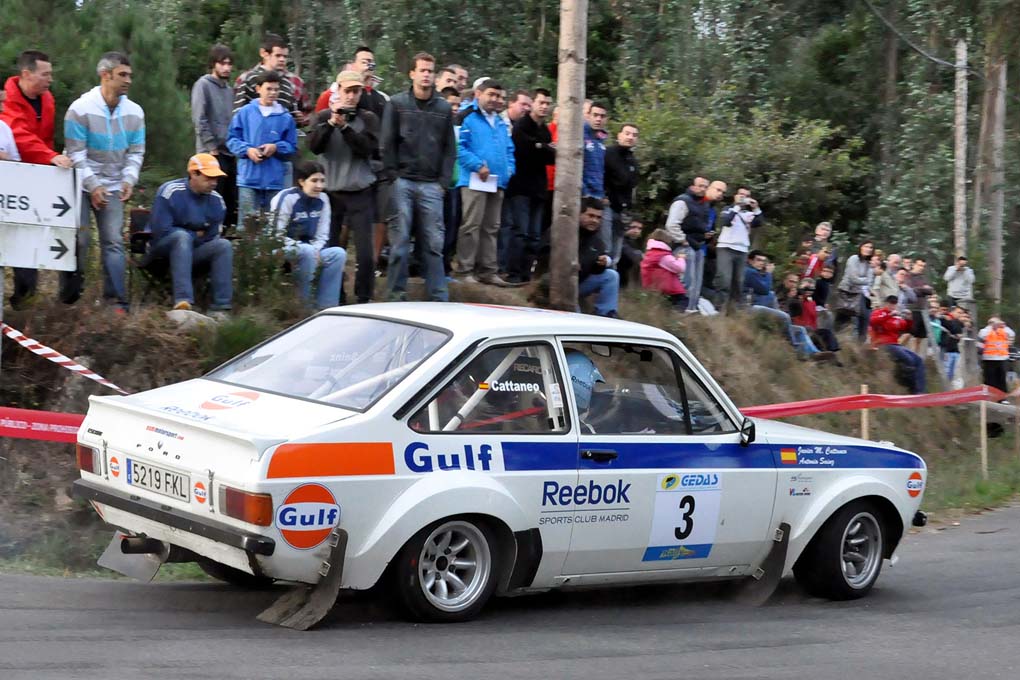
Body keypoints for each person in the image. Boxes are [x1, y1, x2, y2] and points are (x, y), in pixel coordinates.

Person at [63, 51, 145, 311]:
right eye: (122, 75)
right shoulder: (79, 109)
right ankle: (69, 298)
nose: (128, 80)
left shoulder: (135, 112)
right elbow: (75, 153)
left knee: (113, 241)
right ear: (105, 75)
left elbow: (136, 151)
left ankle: (116, 301)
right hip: (79, 182)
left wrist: (129, 179)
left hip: (113, 183)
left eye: (130, 75)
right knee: (80, 240)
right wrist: (93, 185)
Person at [380, 52, 456, 302]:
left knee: (434, 244)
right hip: (402, 180)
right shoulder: (397, 103)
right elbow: (387, 142)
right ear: (411, 73)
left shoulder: (444, 108)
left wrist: (443, 183)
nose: (426, 75)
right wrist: (392, 175)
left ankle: (439, 297)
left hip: (432, 184)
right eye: (422, 70)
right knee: (400, 241)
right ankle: (395, 297)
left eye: (430, 71)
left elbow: (449, 149)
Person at [2, 50, 74, 308]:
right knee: (16, 238)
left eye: (51, 74)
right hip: (14, 181)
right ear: (26, 74)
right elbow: (20, 137)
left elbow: (44, 137)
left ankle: (33, 299)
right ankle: (22, 299)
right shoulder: (8, 103)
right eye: (45, 74)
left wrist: (49, 162)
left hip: (37, 178)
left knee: (34, 238)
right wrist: (50, 157)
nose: (50, 79)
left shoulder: (47, 100)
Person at [307, 71, 379, 304]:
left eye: (356, 91)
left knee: (366, 254)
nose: (351, 96)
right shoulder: (323, 116)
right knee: (332, 248)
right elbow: (314, 147)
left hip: (361, 191)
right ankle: (333, 297)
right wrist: (331, 124)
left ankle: (364, 298)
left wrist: (346, 128)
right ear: (338, 90)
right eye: (347, 91)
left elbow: (367, 149)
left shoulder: (368, 118)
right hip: (332, 193)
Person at [147, 154, 234, 313]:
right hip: (161, 252)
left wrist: (191, 237)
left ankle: (221, 307)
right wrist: (194, 235)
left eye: (216, 178)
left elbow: (211, 237)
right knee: (181, 237)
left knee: (223, 245)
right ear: (194, 174)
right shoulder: (170, 191)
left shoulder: (217, 201)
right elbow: (161, 232)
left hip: (194, 252)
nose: (214, 183)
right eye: (209, 178)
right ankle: (183, 301)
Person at [454, 79, 515, 286]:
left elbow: (509, 149)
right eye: (492, 95)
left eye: (499, 97)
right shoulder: (466, 116)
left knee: (492, 226)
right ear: (478, 94)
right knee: (471, 224)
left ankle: (488, 270)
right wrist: (477, 165)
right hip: (473, 179)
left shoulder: (499, 121)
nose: (496, 100)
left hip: (497, 181)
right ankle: (465, 270)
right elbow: (458, 147)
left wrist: (509, 170)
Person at [270, 160, 347, 310]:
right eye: (314, 181)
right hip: (280, 247)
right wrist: (305, 248)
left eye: (322, 181)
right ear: (301, 181)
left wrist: (316, 250)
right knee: (307, 251)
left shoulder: (323, 199)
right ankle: (304, 307)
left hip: (311, 250)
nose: (319, 186)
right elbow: (275, 234)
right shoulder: (287, 198)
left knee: (338, 253)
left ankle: (326, 307)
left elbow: (323, 234)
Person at [227, 70, 297, 228]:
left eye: (276, 89)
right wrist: (247, 150)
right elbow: (232, 139)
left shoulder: (285, 117)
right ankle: (245, 253)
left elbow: (292, 146)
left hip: (274, 180)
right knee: (246, 227)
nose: (273, 93)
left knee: (272, 227)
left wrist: (276, 147)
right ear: (258, 89)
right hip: (248, 179)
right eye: (269, 89)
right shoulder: (245, 113)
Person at [505, 88, 555, 283]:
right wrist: (542, 147)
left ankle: (526, 274)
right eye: (541, 102)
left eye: (547, 103)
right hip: (520, 186)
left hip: (539, 188)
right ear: (532, 103)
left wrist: (540, 147)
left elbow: (551, 157)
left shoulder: (544, 130)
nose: (544, 106)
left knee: (534, 234)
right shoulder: (521, 125)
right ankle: (513, 273)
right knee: (520, 231)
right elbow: (523, 151)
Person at [191, 44, 237, 228]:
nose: (226, 67)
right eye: (222, 63)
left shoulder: (228, 90)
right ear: (213, 64)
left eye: (229, 64)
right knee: (209, 197)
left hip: (229, 152)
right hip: (210, 153)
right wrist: (211, 147)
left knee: (229, 201)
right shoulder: (203, 85)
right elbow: (199, 118)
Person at [664, 176, 711, 313]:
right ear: (692, 186)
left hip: (698, 246)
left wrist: (705, 235)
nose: (703, 189)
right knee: (686, 281)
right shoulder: (682, 201)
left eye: (705, 186)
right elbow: (671, 224)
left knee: (696, 284)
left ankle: (690, 311)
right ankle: (678, 311)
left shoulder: (704, 204)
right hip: (684, 247)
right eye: (700, 185)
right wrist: (682, 240)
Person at [714, 186, 762, 310]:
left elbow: (759, 222)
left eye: (746, 195)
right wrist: (736, 206)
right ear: (735, 195)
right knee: (724, 279)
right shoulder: (727, 209)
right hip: (726, 247)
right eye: (741, 194)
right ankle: (719, 308)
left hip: (742, 250)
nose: (743, 197)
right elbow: (726, 221)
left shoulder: (749, 214)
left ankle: (733, 311)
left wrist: (756, 208)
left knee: (738, 282)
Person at [870, 295, 926, 394]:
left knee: (918, 360)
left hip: (895, 344)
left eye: (895, 304)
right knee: (909, 360)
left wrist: (909, 319)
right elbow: (873, 321)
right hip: (883, 343)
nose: (893, 306)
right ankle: (910, 387)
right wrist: (889, 315)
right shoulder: (879, 312)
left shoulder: (896, 316)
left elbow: (906, 328)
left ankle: (920, 392)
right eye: (891, 303)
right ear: (886, 303)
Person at [603, 123, 640, 266]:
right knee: (605, 248)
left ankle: (611, 282)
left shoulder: (632, 160)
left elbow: (632, 186)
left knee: (616, 252)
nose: (630, 137)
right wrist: (602, 196)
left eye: (634, 135)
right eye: (627, 133)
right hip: (607, 206)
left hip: (623, 211)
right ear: (619, 135)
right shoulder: (608, 153)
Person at [577, 197, 619, 317]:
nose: (595, 220)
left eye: (598, 217)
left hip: (581, 283)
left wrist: (601, 264)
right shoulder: (564, 231)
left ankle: (606, 314)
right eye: (590, 216)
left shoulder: (597, 240)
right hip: (559, 285)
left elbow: (594, 269)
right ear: (579, 214)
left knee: (611, 275)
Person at [836, 239, 875, 341]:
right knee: (843, 319)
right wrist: (866, 280)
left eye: (870, 247)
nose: (868, 249)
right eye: (866, 246)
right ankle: (838, 341)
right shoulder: (853, 259)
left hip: (859, 294)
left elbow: (870, 281)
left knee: (865, 316)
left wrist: (866, 280)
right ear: (861, 247)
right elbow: (853, 278)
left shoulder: (868, 263)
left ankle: (860, 342)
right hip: (847, 292)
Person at [640, 228, 686, 308]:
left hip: (654, 288)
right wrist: (681, 258)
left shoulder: (649, 254)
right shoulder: (664, 256)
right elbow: (680, 268)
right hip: (671, 290)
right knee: (681, 304)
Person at [978, 316, 1015, 395]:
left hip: (1002, 358)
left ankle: (1001, 396)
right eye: (994, 322)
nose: (996, 324)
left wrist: (1004, 325)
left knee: (1001, 378)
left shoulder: (1004, 330)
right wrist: (991, 326)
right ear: (990, 323)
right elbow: (982, 335)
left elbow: (1011, 333)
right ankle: (988, 394)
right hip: (989, 358)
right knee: (989, 378)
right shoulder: (985, 331)